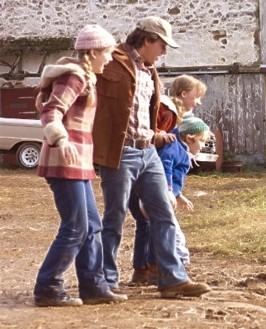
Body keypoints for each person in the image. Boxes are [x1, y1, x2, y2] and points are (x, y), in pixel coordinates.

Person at [92, 16, 210, 298]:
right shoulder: (112, 60)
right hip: (120, 153)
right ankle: (105, 281)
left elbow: (143, 114)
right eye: (162, 45)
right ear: (146, 39)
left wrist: (156, 135)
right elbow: (93, 100)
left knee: (164, 212)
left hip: (147, 151)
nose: (164, 52)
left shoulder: (150, 70)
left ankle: (171, 279)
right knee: (114, 217)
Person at [33, 24, 128, 307]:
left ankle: (93, 286)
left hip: (79, 162)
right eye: (108, 53)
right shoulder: (75, 78)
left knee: (92, 225)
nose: (110, 58)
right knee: (75, 226)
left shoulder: (88, 77)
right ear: (92, 52)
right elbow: (51, 111)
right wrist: (61, 140)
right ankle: (48, 286)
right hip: (64, 161)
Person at [130, 75, 207, 284]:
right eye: (197, 96)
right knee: (160, 222)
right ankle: (162, 269)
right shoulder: (168, 112)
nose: (198, 101)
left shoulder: (173, 121)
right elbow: (162, 159)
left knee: (146, 223)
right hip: (145, 173)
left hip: (140, 171)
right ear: (183, 94)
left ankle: (143, 270)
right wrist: (167, 189)